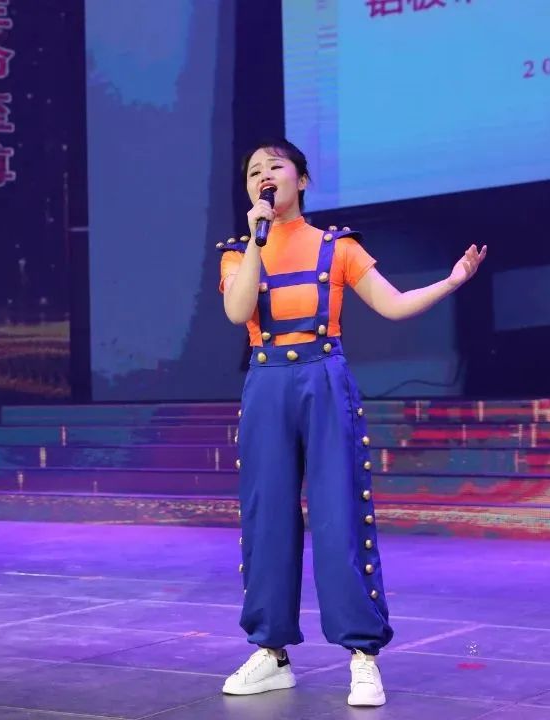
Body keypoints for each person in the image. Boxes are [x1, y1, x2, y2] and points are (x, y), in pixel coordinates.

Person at [217, 140, 486, 706]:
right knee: (267, 517)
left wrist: (452, 282)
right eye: (254, 171)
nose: (264, 175)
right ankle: (271, 652)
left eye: (275, 166)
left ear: (302, 180)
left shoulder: (336, 247)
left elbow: (392, 304)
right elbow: (238, 312)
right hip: (266, 381)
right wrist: (257, 241)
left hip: (323, 376)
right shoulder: (240, 252)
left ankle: (362, 657)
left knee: (339, 512)